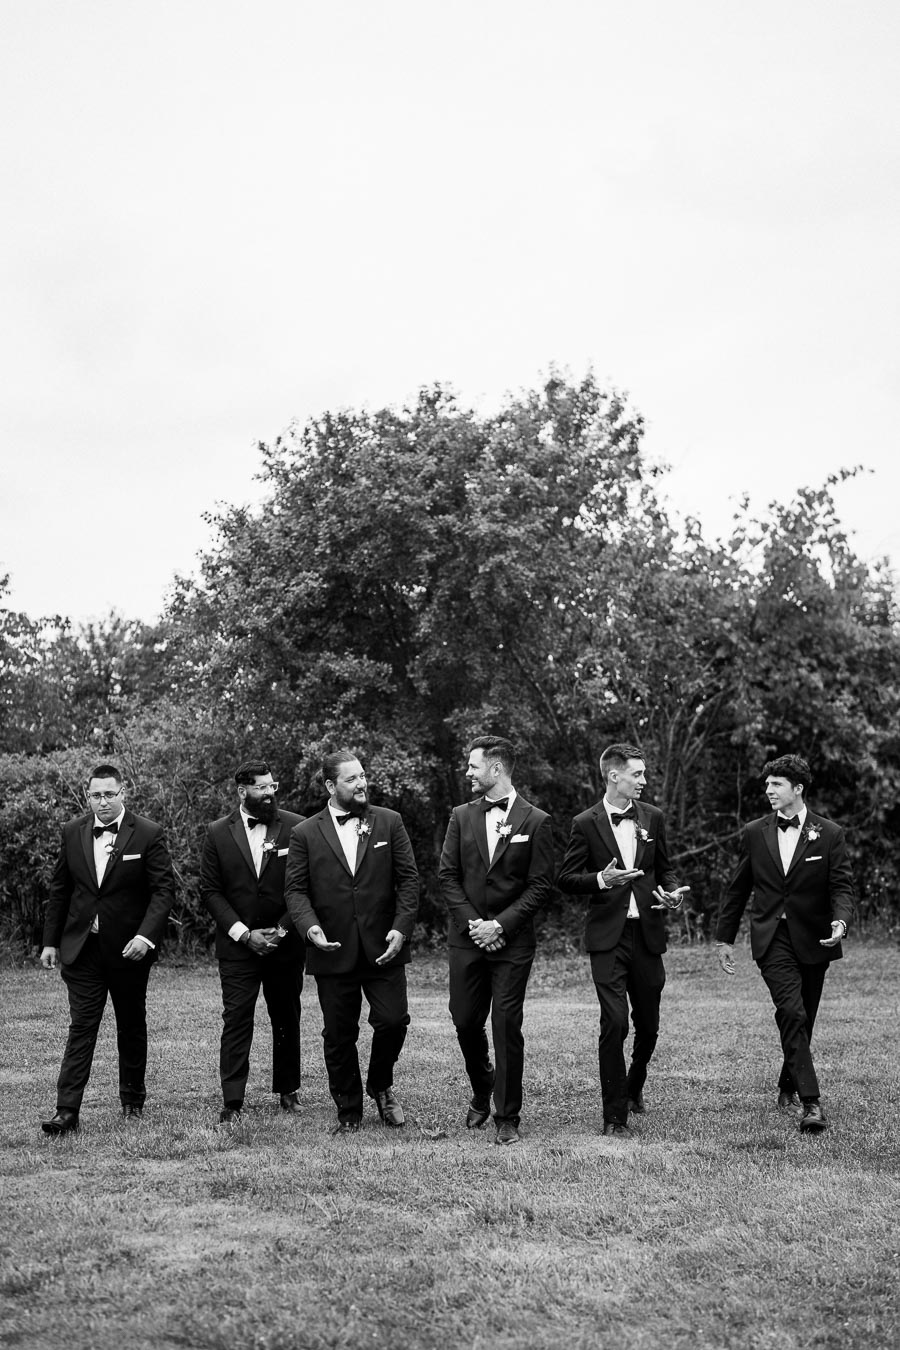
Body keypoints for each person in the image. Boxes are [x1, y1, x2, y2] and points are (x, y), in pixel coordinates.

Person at [715, 754, 854, 1133]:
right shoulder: (754, 831)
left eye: (776, 784)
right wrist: (725, 939)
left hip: (815, 939)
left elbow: (841, 887)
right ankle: (812, 1104)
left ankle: (786, 1083)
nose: (768, 790)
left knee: (803, 1016)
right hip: (771, 937)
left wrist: (840, 921)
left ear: (798, 789)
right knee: (791, 1013)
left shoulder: (830, 834)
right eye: (767, 784)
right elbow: (739, 887)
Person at [284, 750, 419, 1134]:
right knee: (339, 1034)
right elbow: (295, 891)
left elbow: (409, 880)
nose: (361, 783)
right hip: (332, 947)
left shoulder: (389, 822)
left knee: (394, 1021)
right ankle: (349, 1110)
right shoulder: (305, 833)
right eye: (351, 779)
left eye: (363, 776)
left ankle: (380, 1084)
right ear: (330, 786)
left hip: (384, 944)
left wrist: (401, 927)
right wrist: (310, 928)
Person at [557, 743, 687, 1136]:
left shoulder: (654, 818)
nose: (644, 781)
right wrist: (601, 879)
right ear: (615, 776)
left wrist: (671, 893)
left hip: (646, 935)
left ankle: (635, 1084)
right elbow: (565, 879)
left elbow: (664, 869)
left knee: (648, 1025)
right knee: (614, 1023)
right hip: (608, 939)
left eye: (644, 775)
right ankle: (614, 1115)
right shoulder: (585, 822)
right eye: (638, 774)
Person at [39, 763, 175, 1134]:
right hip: (83, 949)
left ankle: (132, 1098)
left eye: (109, 794)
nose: (103, 801)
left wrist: (145, 937)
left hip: (129, 949)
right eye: (96, 795)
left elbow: (163, 892)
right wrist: (50, 941)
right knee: (82, 1025)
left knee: (131, 1024)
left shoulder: (148, 833)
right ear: (88, 796)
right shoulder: (72, 832)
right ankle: (67, 1111)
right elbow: (60, 890)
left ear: (123, 793)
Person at [438, 735, 555, 1145]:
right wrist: (476, 925)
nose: (467, 773)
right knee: (465, 1020)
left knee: (506, 1025)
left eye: (472, 766)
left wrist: (500, 925)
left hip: (513, 942)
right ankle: (482, 1083)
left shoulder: (536, 821)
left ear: (496, 769)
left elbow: (541, 886)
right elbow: (447, 877)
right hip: (467, 938)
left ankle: (508, 1116)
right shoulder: (460, 816)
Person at [200, 760, 306, 1124]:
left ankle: (288, 1091)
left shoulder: (296, 827)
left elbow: (305, 886)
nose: (269, 793)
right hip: (237, 947)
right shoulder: (217, 832)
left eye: (272, 786)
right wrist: (243, 934)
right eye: (261, 787)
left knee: (286, 1016)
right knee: (237, 1019)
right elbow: (211, 891)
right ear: (242, 791)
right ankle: (232, 1100)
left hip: (284, 942)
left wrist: (281, 930)